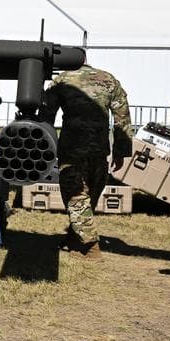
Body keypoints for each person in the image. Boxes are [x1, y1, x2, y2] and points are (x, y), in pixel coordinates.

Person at [38, 64, 133, 259]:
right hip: (99, 149)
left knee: (75, 195)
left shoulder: (63, 80)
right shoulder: (108, 79)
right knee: (90, 194)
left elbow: (47, 114)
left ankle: (90, 245)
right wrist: (121, 151)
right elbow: (122, 118)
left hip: (73, 148)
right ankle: (76, 237)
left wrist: (40, 143)